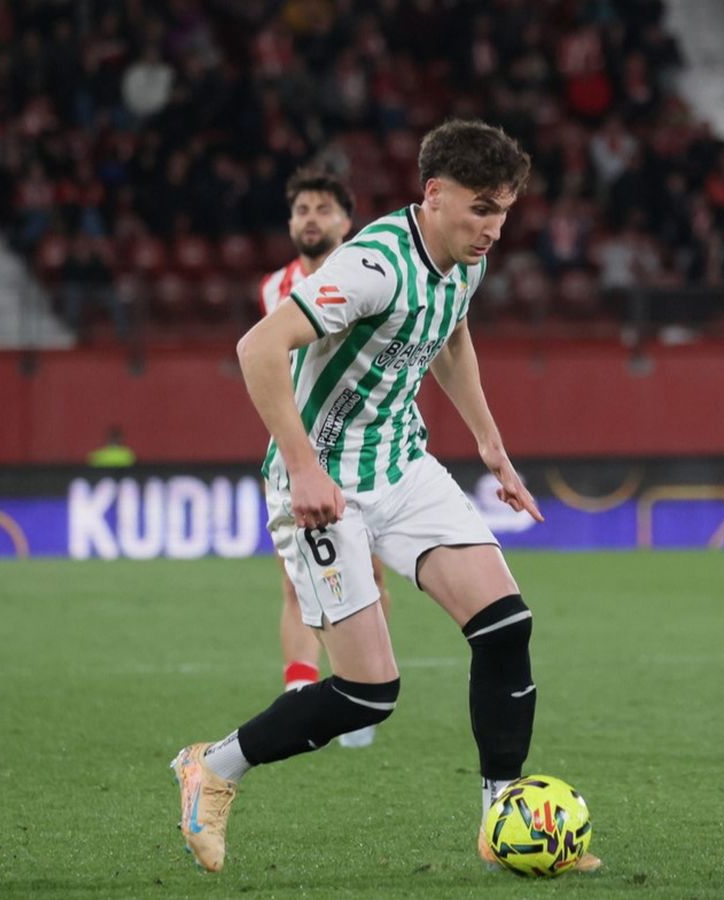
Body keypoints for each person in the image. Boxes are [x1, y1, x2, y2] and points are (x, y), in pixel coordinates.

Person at [171, 120, 601, 875]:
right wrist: (305, 468)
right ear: (433, 195)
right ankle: (212, 766)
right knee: (368, 694)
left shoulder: (465, 259)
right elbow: (257, 347)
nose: (493, 230)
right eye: (480, 209)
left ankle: (501, 824)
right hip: (324, 484)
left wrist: (491, 444)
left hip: (401, 464)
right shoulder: (373, 266)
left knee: (505, 627)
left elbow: (452, 335)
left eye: (503, 212)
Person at [258, 167, 392, 749]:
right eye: (301, 210)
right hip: (300, 453)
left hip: (361, 448)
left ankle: (359, 692)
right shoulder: (274, 288)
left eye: (322, 209)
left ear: (346, 222)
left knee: (371, 576)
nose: (310, 219)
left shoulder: (368, 277)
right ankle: (300, 692)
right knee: (297, 581)